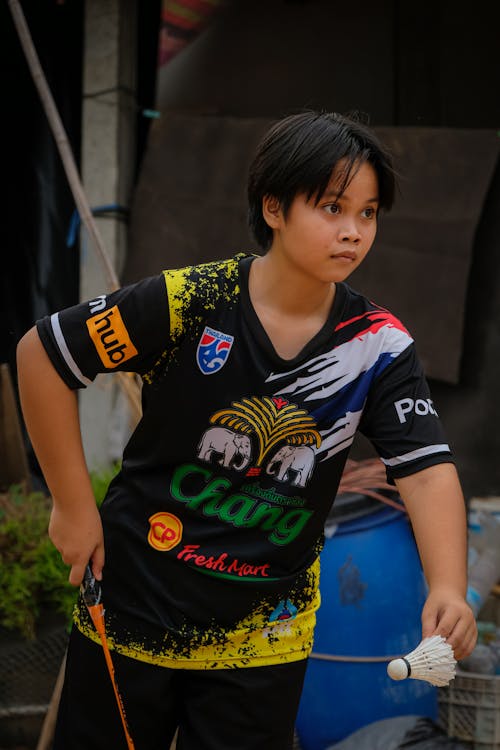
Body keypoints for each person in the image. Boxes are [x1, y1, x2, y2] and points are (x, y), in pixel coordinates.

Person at [16, 110, 477, 750]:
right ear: (274, 207)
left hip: (265, 641)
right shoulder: (187, 303)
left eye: (367, 214)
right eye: (332, 207)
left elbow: (424, 472)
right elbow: (42, 357)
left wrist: (449, 584)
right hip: (130, 616)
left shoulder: (379, 347)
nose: (352, 232)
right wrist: (71, 508)